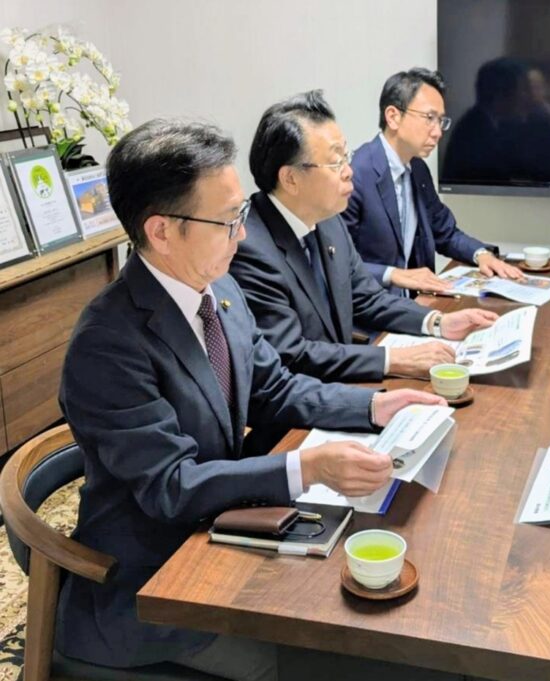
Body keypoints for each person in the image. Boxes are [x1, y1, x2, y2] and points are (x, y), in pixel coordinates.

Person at [56, 119, 446, 679]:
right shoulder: (108, 343)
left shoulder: (218, 288)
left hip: (223, 531)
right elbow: (173, 486)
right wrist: (307, 467)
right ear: (161, 231)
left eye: (240, 214)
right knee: (324, 659)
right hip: (153, 587)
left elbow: (274, 387)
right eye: (227, 221)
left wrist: (371, 407)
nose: (241, 236)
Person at [230, 90, 496, 397]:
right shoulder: (249, 248)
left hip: (340, 388)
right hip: (299, 407)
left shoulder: (329, 221)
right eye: (335, 163)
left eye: (346, 157)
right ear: (290, 179)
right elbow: (293, 355)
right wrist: (395, 360)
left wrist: (439, 322)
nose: (349, 172)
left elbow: (367, 298)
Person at [344, 68, 523, 295]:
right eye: (429, 118)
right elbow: (336, 264)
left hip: (415, 301)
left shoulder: (417, 168)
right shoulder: (356, 174)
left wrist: (481, 255)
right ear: (393, 117)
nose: (438, 132)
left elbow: (445, 232)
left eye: (441, 121)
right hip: (372, 304)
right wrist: (394, 274)